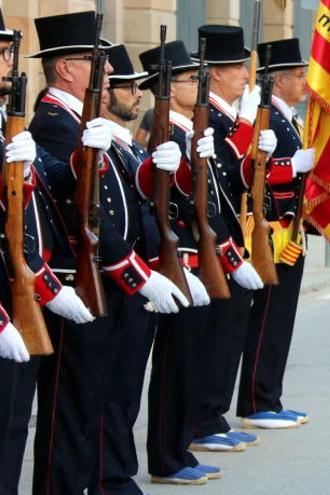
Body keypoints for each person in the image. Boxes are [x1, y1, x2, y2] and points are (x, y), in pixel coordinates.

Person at [27, 11, 188, 493]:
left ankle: (95, 481)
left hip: (109, 276)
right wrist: (135, 273)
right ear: (65, 69)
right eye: (91, 59)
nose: (103, 69)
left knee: (99, 397)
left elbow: (121, 195)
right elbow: (73, 198)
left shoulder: (83, 121)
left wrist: (165, 167)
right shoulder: (54, 121)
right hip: (81, 277)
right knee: (71, 406)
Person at [0, 8, 95, 492]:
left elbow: (48, 192)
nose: (5, 60)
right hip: (13, 294)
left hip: (29, 287)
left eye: (7, 50)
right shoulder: (51, 118)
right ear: (65, 67)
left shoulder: (11, 125)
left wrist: (82, 158)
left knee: (15, 425)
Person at [137, 38, 228, 485]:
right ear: (168, 87)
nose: (200, 85)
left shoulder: (189, 130)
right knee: (174, 363)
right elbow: (166, 202)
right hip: (177, 260)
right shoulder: (162, 131)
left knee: (189, 360)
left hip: (194, 256)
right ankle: (166, 456)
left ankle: (179, 450)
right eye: (192, 79)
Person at [190, 23, 269, 454]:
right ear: (215, 73)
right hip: (216, 242)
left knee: (231, 330)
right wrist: (246, 129)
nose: (245, 75)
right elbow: (220, 173)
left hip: (232, 238)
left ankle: (214, 413)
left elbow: (236, 178)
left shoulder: (226, 116)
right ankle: (205, 416)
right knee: (218, 334)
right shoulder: (215, 117)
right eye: (238, 67)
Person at [236, 37, 315, 430]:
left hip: (291, 231)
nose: (305, 83)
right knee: (267, 317)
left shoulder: (287, 117)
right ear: (277, 80)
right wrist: (293, 163)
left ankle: (271, 394)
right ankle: (257, 399)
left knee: (281, 319)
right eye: (299, 76)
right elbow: (254, 171)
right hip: (272, 233)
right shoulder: (266, 116)